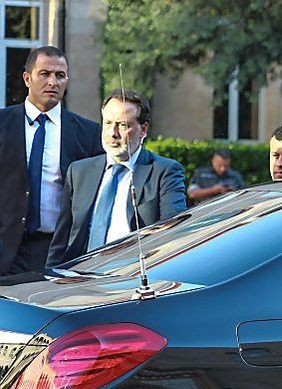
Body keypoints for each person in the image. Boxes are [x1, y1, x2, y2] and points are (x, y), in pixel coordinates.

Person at [47, 90, 187, 267]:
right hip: (79, 279)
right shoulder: (79, 171)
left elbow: (174, 235)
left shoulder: (163, 172)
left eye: (122, 125)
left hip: (132, 279)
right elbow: (61, 239)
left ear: (143, 129)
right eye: (107, 123)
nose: (112, 133)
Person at [0, 46, 102, 275]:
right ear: (27, 78)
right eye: (44, 74)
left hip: (60, 252)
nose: (53, 82)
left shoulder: (88, 133)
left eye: (60, 75)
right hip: (5, 248)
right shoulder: (2, 124)